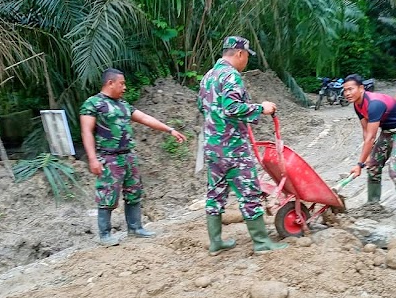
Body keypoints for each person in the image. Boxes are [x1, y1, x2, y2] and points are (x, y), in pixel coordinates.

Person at [197, 36, 288, 255]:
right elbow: (232, 107)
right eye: (246, 56)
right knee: (249, 192)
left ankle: (216, 242)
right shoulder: (231, 76)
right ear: (239, 53)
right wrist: (261, 108)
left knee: (215, 193)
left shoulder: (208, 76)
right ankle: (261, 243)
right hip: (233, 148)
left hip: (212, 146)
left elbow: (203, 106)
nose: (247, 60)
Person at [80, 68, 187, 246]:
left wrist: (170, 130)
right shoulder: (93, 104)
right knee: (107, 194)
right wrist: (92, 159)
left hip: (128, 156)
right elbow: (86, 131)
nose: (124, 87)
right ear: (110, 83)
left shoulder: (123, 104)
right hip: (108, 158)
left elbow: (144, 118)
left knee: (134, 192)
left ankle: (135, 228)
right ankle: (105, 234)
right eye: (121, 83)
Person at [343, 74, 396, 224]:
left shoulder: (374, 104)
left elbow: (371, 137)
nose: (347, 93)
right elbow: (366, 133)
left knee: (395, 169)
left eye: (350, 89)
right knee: (373, 166)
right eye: (345, 90)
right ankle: (373, 205)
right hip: (387, 132)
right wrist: (366, 159)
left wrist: (359, 164)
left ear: (361, 88)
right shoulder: (357, 105)